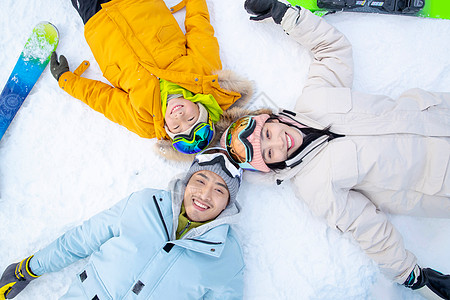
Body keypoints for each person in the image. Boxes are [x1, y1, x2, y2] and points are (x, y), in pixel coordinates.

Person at [219, 0, 450, 299]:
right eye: (270, 153)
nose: (279, 142)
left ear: (270, 118)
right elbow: (367, 228)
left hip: (440, 114)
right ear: (273, 167)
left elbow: (332, 49)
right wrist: (410, 276)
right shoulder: (317, 187)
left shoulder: (316, 99)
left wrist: (285, 15)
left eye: (268, 133)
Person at [0, 148, 244, 299]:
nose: (204, 195)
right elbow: (82, 239)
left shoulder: (227, 257)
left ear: (227, 204)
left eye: (219, 190)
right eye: (200, 181)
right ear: (186, 182)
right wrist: (27, 269)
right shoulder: (145, 204)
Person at [50, 0, 252, 159]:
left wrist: (66, 80)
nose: (179, 116)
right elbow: (199, 26)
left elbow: (104, 100)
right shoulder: (203, 74)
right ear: (202, 108)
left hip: (97, 20)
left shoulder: (143, 119)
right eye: (191, 119)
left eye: (176, 127)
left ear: (167, 131)